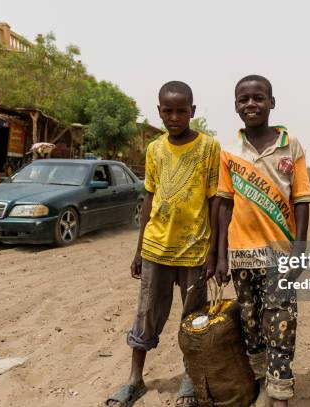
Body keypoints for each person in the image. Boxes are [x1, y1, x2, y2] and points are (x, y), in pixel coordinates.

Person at [105, 81, 220, 407]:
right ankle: (134, 380)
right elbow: (149, 198)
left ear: (192, 112)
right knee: (146, 314)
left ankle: (189, 378)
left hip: (194, 250)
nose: (174, 116)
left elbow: (214, 201)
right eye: (167, 111)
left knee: (193, 318)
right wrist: (138, 249)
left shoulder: (209, 148)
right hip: (156, 248)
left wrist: (213, 250)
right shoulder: (155, 149)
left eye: (181, 110)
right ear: (158, 112)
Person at [215, 75, 310, 406]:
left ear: (272, 103)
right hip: (241, 254)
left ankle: (280, 392)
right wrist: (219, 257)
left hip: (280, 253)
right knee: (251, 322)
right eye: (244, 99)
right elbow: (224, 204)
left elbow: (301, 200)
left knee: (281, 322)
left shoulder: (291, 146)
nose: (251, 104)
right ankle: (260, 383)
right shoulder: (228, 152)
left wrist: (300, 251)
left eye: (258, 98)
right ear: (235, 107)